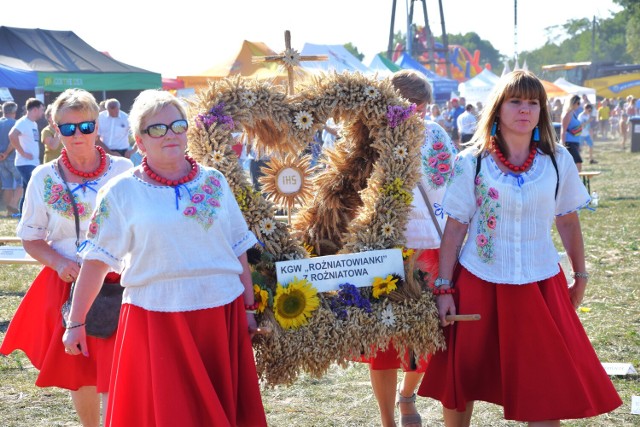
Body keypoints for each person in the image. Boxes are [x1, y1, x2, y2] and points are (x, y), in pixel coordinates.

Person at [418, 70, 622, 427]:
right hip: (479, 281)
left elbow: (569, 221)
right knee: (463, 380)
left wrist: (581, 275)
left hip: (540, 284)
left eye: (533, 102)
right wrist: (444, 287)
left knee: (544, 389)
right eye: (515, 101)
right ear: (498, 108)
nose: (525, 109)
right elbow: (454, 230)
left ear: (542, 110)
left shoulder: (558, 161)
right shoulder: (472, 162)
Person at [62, 89, 267, 426]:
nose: (170, 134)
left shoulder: (214, 182)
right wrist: (76, 322)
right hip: (155, 318)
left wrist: (247, 309)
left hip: (219, 316)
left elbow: (237, 249)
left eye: (177, 125)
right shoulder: (120, 191)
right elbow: (97, 262)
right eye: (156, 129)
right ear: (139, 141)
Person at [0, 88, 133, 427]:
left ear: (97, 127)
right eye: (68, 128)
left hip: (122, 284)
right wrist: (59, 263)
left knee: (122, 365)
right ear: (56, 131)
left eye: (86, 126)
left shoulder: (123, 169)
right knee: (82, 370)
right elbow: (29, 237)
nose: (78, 135)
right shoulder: (44, 177)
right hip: (69, 284)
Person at [359, 69, 457, 427]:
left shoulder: (437, 135)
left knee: (427, 335)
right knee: (382, 345)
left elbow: (452, 186)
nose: (415, 111)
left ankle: (407, 395)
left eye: (421, 104)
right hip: (382, 250)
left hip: (429, 247)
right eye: (406, 103)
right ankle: (387, 419)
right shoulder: (366, 139)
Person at [9, 97, 45, 213]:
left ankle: (22, 217)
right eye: (41, 109)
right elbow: (12, 135)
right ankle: (33, 215)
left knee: (27, 191)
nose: (42, 113)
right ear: (34, 110)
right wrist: (22, 153)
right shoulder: (23, 122)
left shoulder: (33, 123)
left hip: (32, 163)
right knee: (36, 188)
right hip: (24, 163)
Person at [0, 101, 22, 217]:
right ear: (14, 112)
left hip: (1, 160)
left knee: (7, 185)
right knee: (22, 181)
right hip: (12, 158)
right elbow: (14, 140)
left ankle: (7, 212)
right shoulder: (16, 123)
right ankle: (12, 207)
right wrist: (6, 153)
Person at [560, 95, 584, 171]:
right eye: (578, 103)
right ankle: (577, 181)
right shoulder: (567, 114)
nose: (579, 105)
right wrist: (563, 145)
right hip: (569, 143)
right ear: (573, 103)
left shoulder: (573, 114)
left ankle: (575, 181)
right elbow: (563, 130)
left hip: (575, 142)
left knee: (574, 163)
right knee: (578, 162)